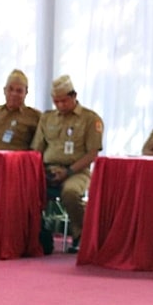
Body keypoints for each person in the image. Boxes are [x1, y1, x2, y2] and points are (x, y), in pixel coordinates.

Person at [30, 75, 104, 252]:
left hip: (77, 171)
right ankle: (35, 234)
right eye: (56, 101)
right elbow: (36, 149)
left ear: (74, 96)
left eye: (64, 101)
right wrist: (40, 171)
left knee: (70, 192)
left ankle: (81, 236)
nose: (60, 105)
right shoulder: (47, 118)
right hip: (47, 169)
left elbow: (92, 154)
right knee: (24, 189)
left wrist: (69, 172)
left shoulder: (90, 119)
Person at [0, 69, 42, 150]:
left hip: (14, 160)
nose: (14, 94)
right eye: (10, 89)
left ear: (26, 92)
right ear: (4, 90)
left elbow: (39, 146)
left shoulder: (34, 116)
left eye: (19, 91)